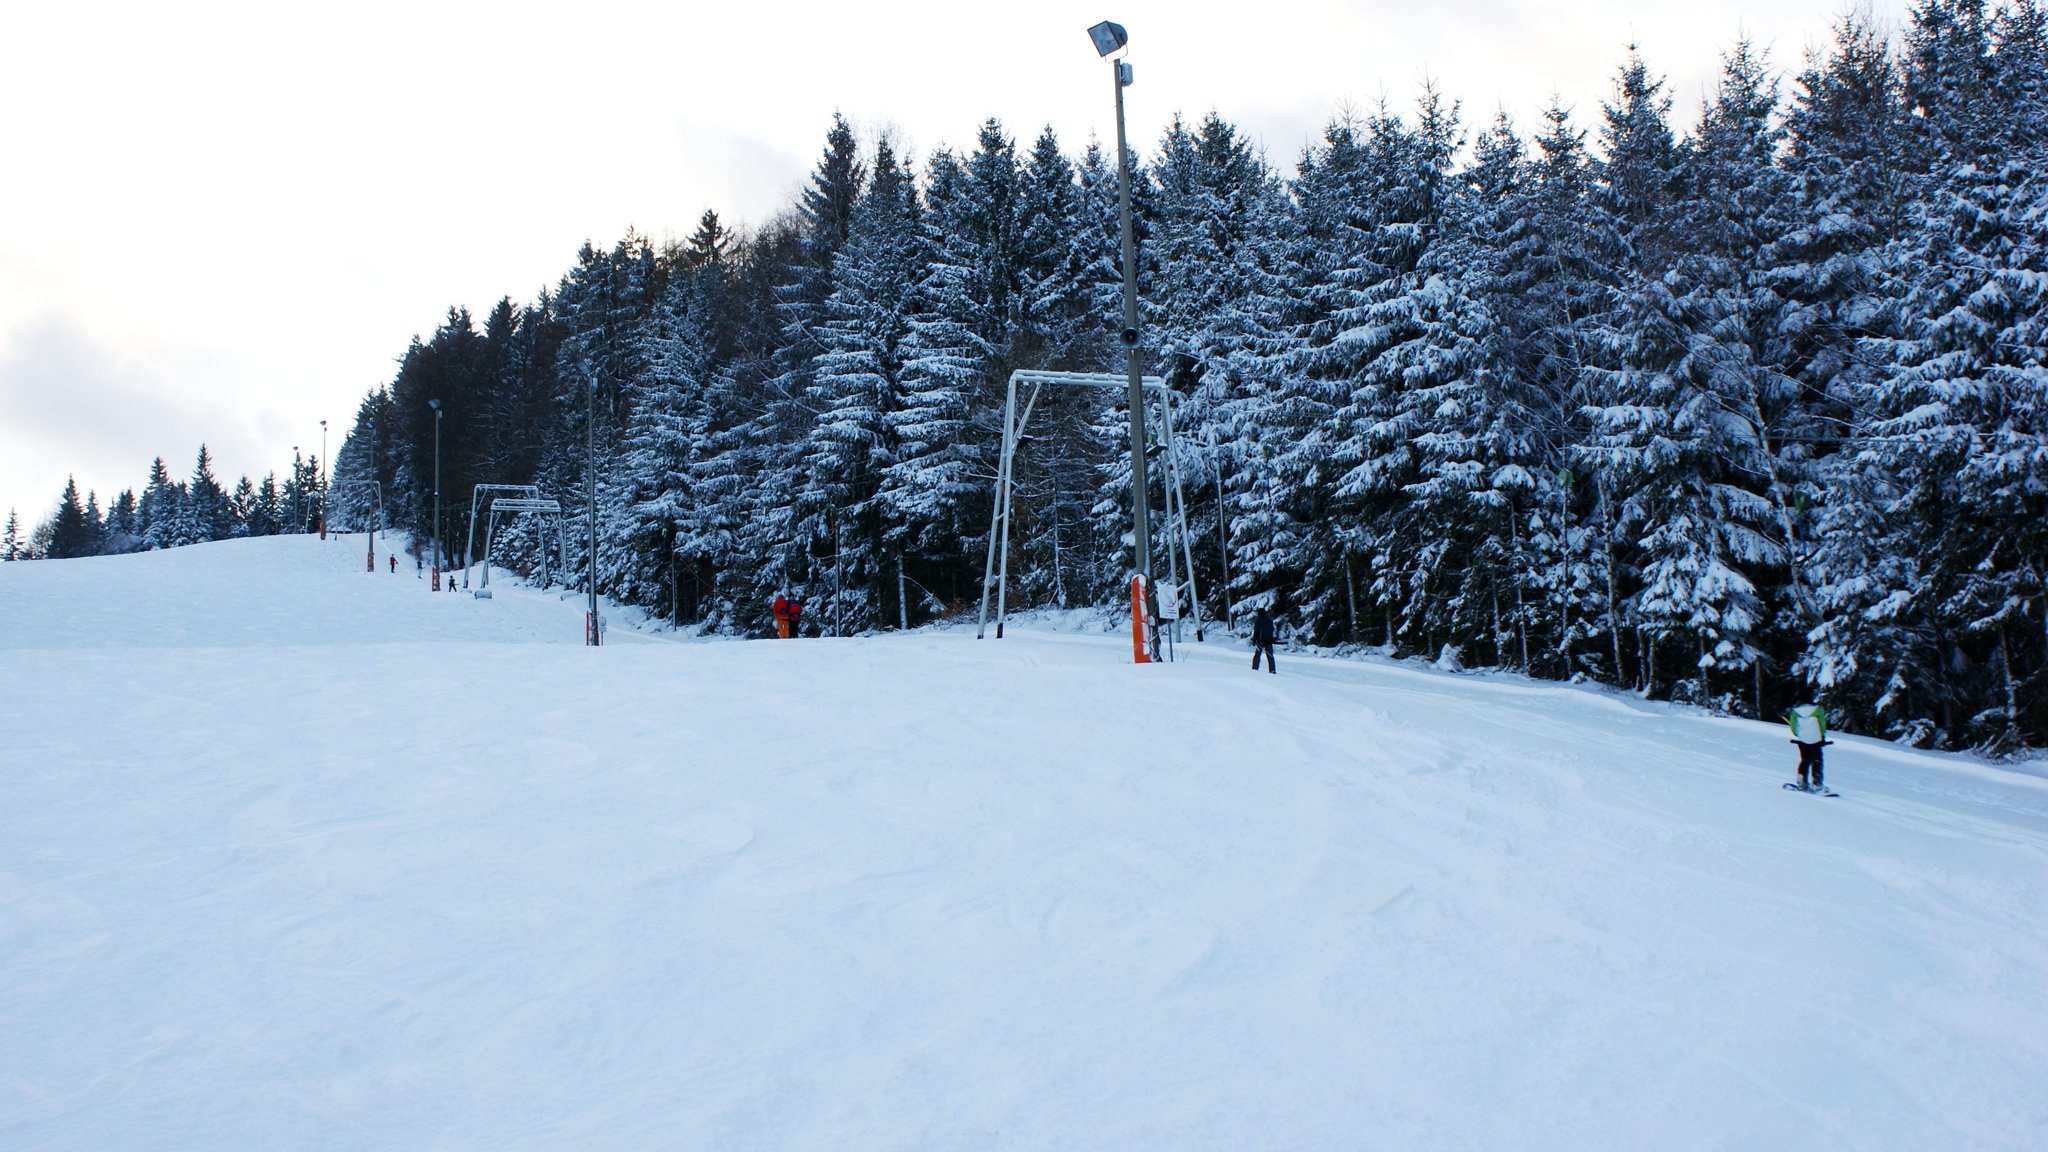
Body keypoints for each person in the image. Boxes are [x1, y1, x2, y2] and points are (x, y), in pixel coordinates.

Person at [1786, 701, 1829, 791]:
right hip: (1816, 738)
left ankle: (1802, 780)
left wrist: (1799, 734)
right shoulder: (1817, 710)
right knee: (1817, 760)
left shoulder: (1795, 711)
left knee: (1805, 759)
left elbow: (1793, 727)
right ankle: (1817, 783)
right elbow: (1822, 724)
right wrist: (1822, 735)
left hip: (1803, 739)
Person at [1251, 606, 1277, 674]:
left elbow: (1256, 630)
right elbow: (1272, 629)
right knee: (1270, 655)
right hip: (1269, 640)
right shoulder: (1269, 620)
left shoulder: (1258, 620)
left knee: (1257, 654)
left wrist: (1254, 639)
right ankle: (1272, 670)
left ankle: (1254, 668)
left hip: (1260, 641)